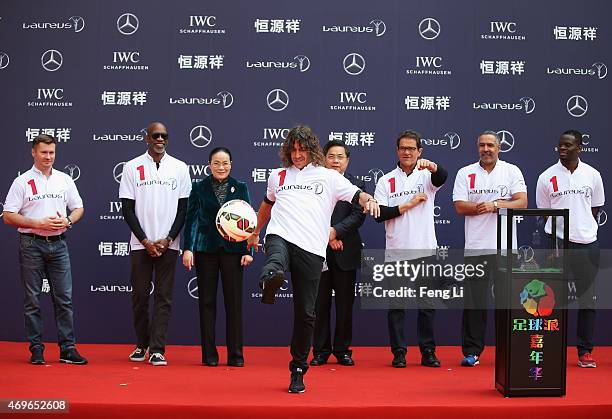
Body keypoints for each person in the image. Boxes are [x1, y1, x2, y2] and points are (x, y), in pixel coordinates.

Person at [246, 125, 380, 393]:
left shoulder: (327, 176)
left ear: (311, 149)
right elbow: (267, 205)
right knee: (275, 256)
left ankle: (298, 369)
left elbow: (356, 194)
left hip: (311, 248)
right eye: (293, 150)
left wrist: (369, 199)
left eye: (302, 149)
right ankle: (270, 278)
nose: (297, 155)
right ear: (287, 151)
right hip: (280, 234)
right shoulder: (277, 176)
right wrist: (255, 231)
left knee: (306, 314)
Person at [3, 134, 87, 365]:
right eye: (43, 152)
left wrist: (68, 221)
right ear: (33, 153)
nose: (48, 157)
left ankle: (67, 349)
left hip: (59, 244)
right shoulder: (21, 182)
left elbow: (79, 208)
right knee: (32, 299)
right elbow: (8, 216)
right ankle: (36, 349)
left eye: (51, 152)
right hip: (31, 244)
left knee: (64, 299)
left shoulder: (64, 179)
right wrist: (37, 223)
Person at [119, 122, 192, 366]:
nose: (160, 139)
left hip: (168, 245)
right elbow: (127, 209)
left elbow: (184, 209)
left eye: (164, 136)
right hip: (141, 245)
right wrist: (145, 240)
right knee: (140, 296)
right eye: (155, 135)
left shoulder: (180, 168)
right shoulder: (132, 167)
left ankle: (158, 349)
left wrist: (169, 238)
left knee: (164, 297)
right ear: (146, 138)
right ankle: (142, 345)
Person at [452, 130, 527, 366]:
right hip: (476, 247)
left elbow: (522, 202)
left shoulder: (511, 170)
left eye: (491, 145)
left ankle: (509, 350)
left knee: (507, 303)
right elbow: (459, 206)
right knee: (475, 303)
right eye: (482, 145)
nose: (486, 149)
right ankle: (472, 352)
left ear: (499, 148)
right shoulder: (465, 172)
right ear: (477, 147)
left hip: (506, 248)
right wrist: (479, 208)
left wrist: (494, 205)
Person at [374, 130, 448, 368]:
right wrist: (407, 205)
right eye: (403, 148)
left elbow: (442, 177)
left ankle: (428, 352)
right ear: (397, 151)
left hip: (425, 250)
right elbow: (379, 214)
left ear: (419, 152)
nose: (407, 152)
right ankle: (399, 353)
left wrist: (435, 167)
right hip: (396, 252)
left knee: (427, 307)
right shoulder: (386, 180)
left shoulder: (426, 175)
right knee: (397, 307)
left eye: (412, 149)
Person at [536, 129, 605, 368]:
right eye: (560, 145)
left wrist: (581, 229)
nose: (562, 148)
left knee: (588, 300)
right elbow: (545, 211)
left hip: (587, 243)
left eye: (568, 145)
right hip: (557, 244)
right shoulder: (546, 177)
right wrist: (560, 237)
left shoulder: (593, 175)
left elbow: (595, 208)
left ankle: (585, 351)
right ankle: (550, 349)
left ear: (580, 148)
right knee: (550, 299)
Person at [182, 147, 253, 367]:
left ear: (231, 164)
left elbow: (247, 221)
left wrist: (247, 252)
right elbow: (192, 219)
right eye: (216, 163)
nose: (221, 167)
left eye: (225, 163)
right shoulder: (199, 187)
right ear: (209, 165)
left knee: (234, 304)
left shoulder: (240, 187)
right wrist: (188, 249)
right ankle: (209, 356)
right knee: (207, 303)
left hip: (234, 252)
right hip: (206, 251)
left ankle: (235, 356)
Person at [310, 140, 366, 367]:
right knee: (319, 306)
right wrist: (328, 237)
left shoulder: (356, 185)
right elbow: (310, 214)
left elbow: (358, 215)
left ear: (347, 160)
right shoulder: (314, 184)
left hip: (347, 252)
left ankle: (343, 350)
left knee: (345, 306)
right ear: (324, 159)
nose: (335, 160)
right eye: (331, 156)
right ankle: (321, 351)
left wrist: (335, 232)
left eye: (340, 157)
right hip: (318, 251)